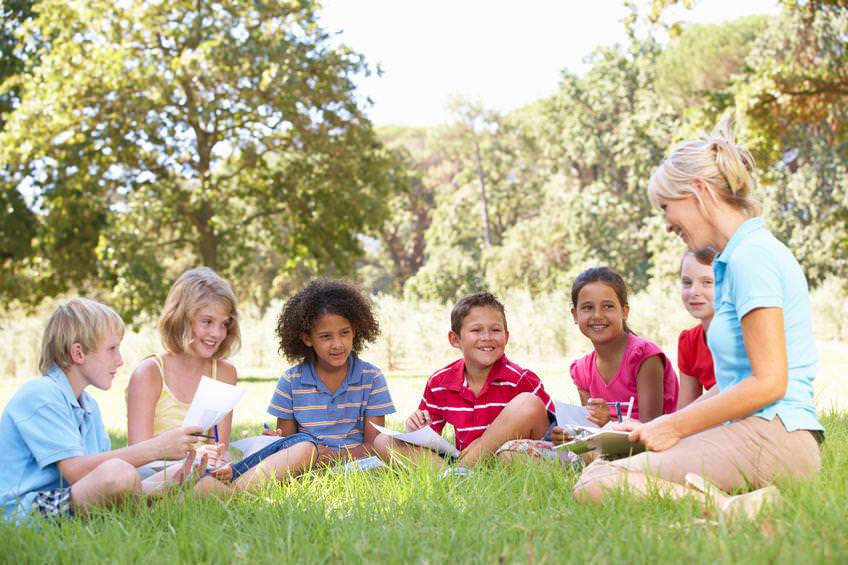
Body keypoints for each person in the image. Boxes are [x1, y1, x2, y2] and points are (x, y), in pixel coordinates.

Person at [573, 120, 824, 518]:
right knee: (601, 463)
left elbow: (769, 381)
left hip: (772, 436)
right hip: (756, 432)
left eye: (666, 208)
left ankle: (732, 511)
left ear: (699, 193)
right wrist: (659, 425)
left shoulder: (751, 257)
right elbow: (732, 382)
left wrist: (675, 428)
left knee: (595, 483)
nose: (668, 223)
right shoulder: (736, 257)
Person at [0, 298, 212, 523]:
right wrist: (157, 448)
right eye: (112, 349)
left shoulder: (88, 405)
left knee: (168, 473)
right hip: (22, 510)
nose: (120, 360)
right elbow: (78, 473)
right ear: (78, 353)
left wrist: (168, 480)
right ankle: (147, 512)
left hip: (66, 499)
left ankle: (155, 504)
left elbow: (97, 476)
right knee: (118, 473)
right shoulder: (41, 394)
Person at [374, 292, 554, 470]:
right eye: (476, 330)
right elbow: (428, 439)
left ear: (506, 337)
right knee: (383, 441)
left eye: (495, 330)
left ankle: (461, 472)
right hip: (460, 457)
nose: (487, 337)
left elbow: (552, 435)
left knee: (527, 403)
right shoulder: (440, 382)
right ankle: (452, 475)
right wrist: (417, 428)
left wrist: (484, 443)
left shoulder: (521, 379)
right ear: (455, 339)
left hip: (507, 456)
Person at [261, 279, 396, 477]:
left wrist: (333, 456)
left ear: (355, 331)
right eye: (326, 336)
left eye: (344, 333)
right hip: (306, 469)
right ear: (307, 338)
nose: (337, 344)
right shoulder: (290, 382)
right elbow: (288, 445)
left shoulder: (371, 378)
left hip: (359, 469)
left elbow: (375, 446)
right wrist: (275, 443)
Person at [127, 267, 240, 474]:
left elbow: (221, 449)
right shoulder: (149, 373)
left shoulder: (225, 373)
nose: (217, 333)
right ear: (180, 319)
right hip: (157, 474)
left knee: (299, 448)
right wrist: (193, 458)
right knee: (207, 486)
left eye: (224, 324)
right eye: (207, 322)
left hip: (204, 472)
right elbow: (137, 457)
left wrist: (221, 462)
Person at [569, 267, 678, 426]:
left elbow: (651, 428)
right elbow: (591, 430)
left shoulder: (644, 356)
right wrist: (570, 435)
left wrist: (609, 423)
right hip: (611, 447)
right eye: (587, 307)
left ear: (624, 311)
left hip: (659, 443)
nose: (597, 315)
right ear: (575, 315)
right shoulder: (581, 370)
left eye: (608, 306)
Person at [677, 250, 717, 409]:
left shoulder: (743, 334)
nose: (694, 292)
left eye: (707, 282)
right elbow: (685, 409)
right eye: (687, 282)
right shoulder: (689, 342)